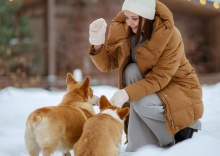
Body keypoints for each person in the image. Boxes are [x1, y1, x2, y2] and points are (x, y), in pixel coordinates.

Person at [87, 0, 204, 152]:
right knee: (130, 71)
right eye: (127, 17)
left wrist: (125, 94)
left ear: (147, 17)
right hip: (154, 88)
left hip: (180, 89)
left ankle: (178, 132)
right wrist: (97, 44)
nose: (129, 23)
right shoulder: (127, 30)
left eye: (134, 18)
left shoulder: (170, 34)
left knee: (142, 103)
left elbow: (159, 78)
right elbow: (108, 63)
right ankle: (142, 143)